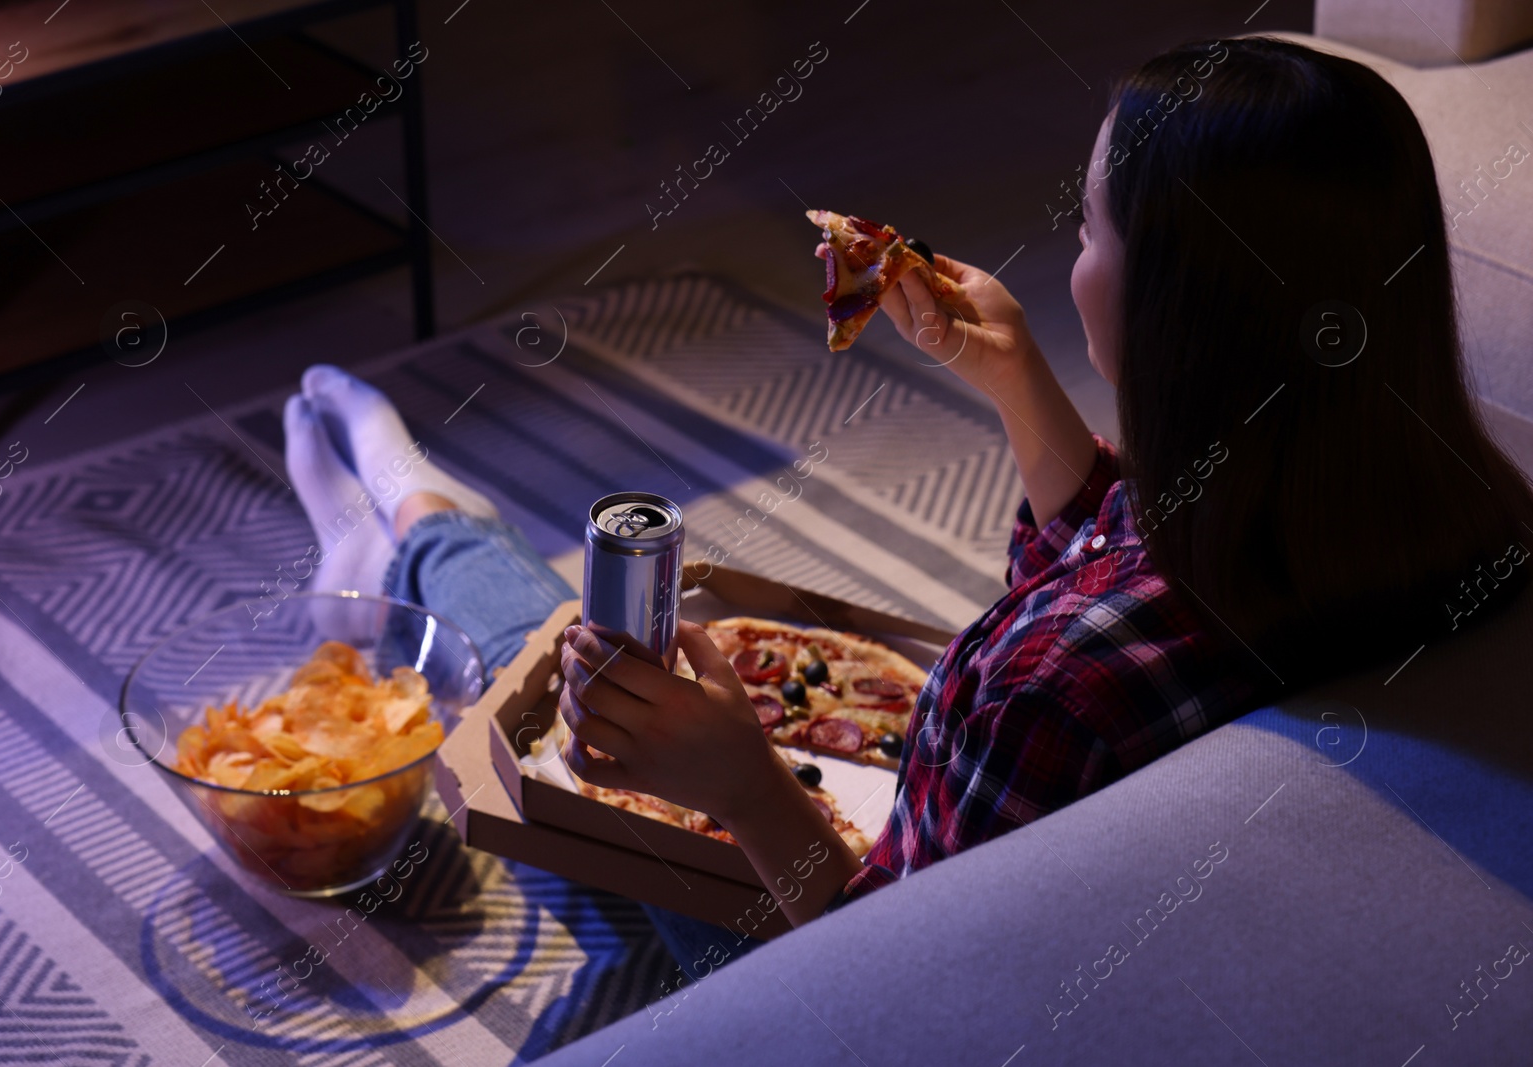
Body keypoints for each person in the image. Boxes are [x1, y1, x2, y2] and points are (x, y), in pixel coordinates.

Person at [286, 36, 1533, 972]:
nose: (1070, 255)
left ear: (1163, 307)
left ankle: (413, 523)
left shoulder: (1047, 693)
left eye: (1091, 225)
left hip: (837, 931)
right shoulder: (1454, 508)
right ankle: (408, 540)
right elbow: (1140, 556)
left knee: (569, 684)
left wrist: (743, 785)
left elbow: (892, 971)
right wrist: (1016, 383)